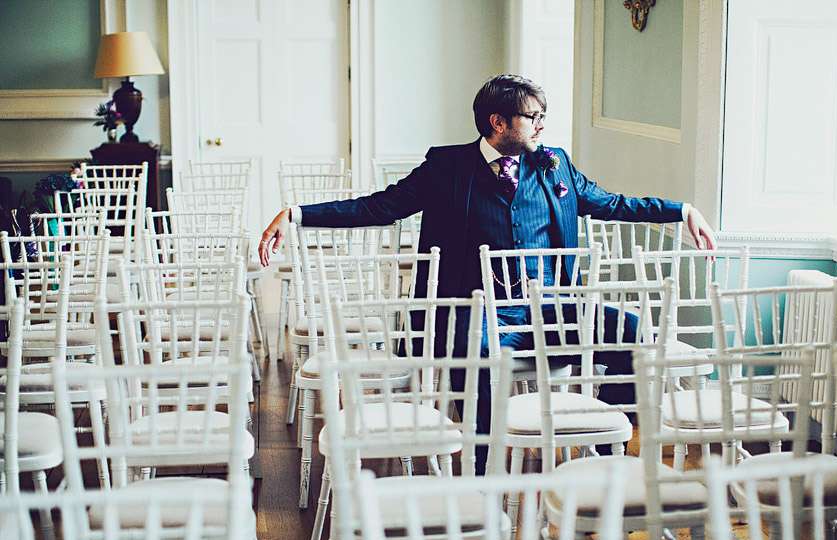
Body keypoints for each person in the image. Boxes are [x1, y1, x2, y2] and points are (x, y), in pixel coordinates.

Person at [259, 74, 716, 469]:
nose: (542, 124)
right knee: (474, 352)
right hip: (478, 310)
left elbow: (613, 203)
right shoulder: (447, 167)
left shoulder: (554, 164)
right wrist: (297, 214)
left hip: (553, 308)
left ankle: (602, 447)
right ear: (498, 122)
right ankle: (483, 464)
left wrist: (681, 211)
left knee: (632, 332)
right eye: (533, 116)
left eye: (542, 115)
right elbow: (379, 207)